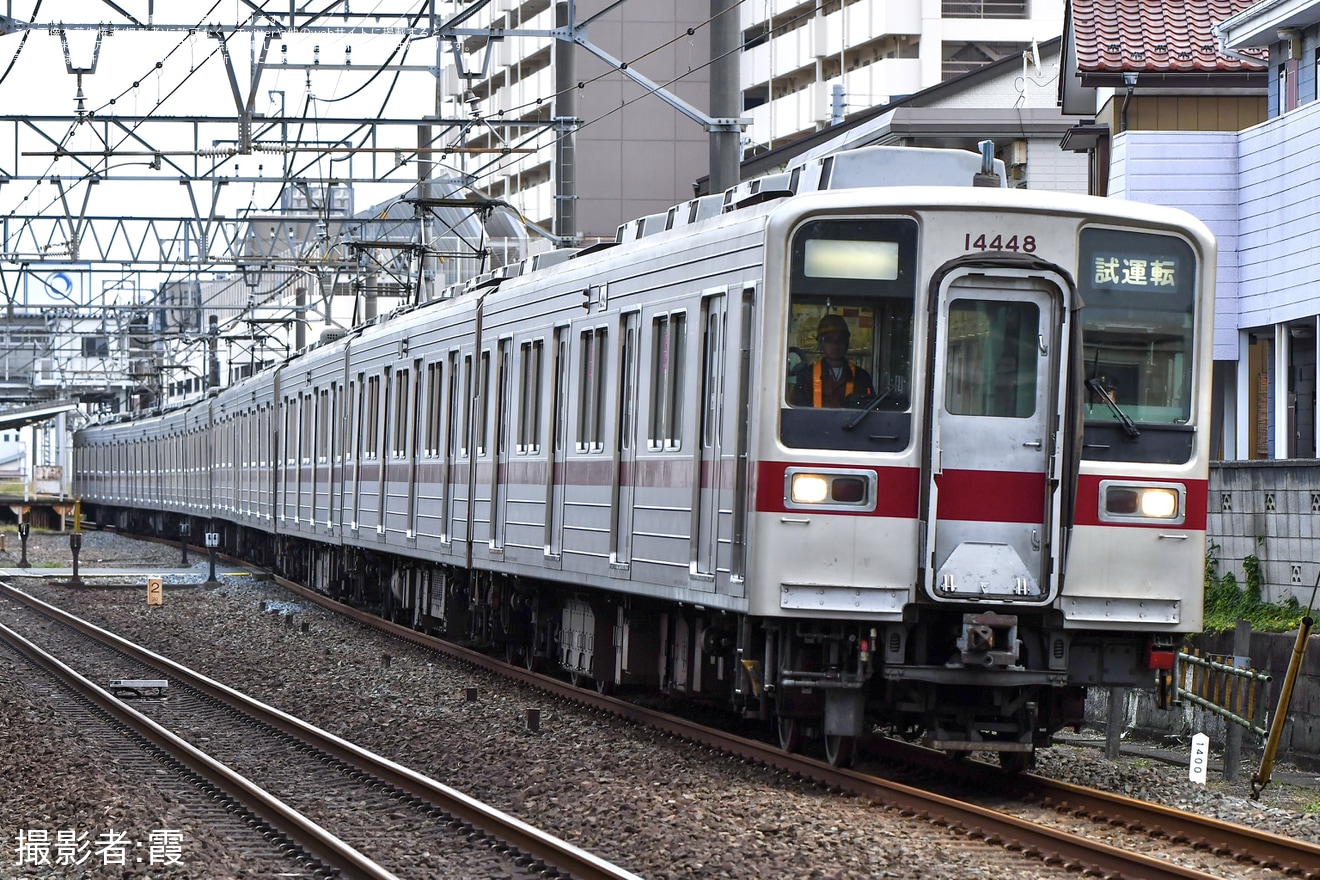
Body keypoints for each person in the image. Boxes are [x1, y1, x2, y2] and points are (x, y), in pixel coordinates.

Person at [792, 314, 874, 407]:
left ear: (847, 342)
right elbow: (798, 412)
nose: (835, 346)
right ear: (820, 344)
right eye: (829, 340)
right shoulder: (806, 376)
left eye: (840, 339)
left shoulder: (861, 377)